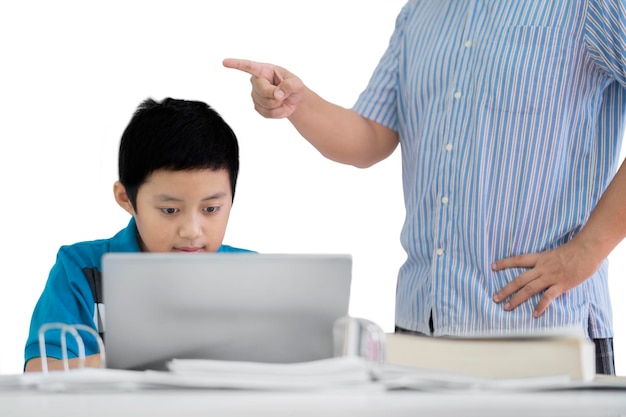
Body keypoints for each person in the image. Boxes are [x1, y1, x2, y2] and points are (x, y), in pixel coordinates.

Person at [223, 1, 626, 375]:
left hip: (543, 331)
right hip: (422, 333)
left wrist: (587, 251)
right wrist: (300, 102)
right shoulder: (420, 12)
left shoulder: (588, 5)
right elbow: (370, 137)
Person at [24, 97, 253, 372]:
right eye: (170, 210)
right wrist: (150, 357)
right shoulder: (82, 270)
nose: (192, 231)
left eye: (211, 208)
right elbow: (40, 372)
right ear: (126, 199)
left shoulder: (250, 275)